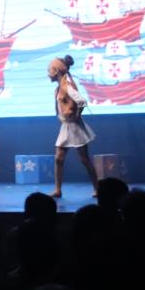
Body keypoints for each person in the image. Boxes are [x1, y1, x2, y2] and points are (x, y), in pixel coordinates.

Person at [48, 55, 97, 198]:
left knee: (84, 159)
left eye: (50, 70)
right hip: (66, 126)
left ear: (56, 71)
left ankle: (97, 188)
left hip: (75, 127)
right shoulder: (58, 89)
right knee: (58, 158)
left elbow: (82, 101)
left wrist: (76, 115)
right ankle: (58, 189)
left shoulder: (67, 86)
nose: (48, 74)